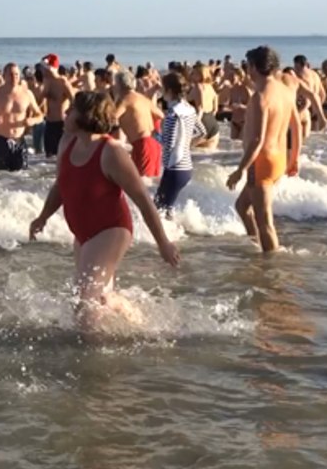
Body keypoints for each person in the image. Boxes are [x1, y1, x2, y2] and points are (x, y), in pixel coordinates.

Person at [28, 91, 180, 332]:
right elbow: (61, 185)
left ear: (86, 116)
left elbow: (142, 199)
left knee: (84, 300)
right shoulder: (67, 142)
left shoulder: (111, 152)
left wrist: (163, 243)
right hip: (83, 233)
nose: (66, 112)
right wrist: (43, 217)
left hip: (111, 230)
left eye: (72, 109)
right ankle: (144, 325)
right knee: (99, 297)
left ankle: (94, 352)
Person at [227, 46, 302, 253]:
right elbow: (296, 127)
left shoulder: (260, 97)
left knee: (265, 221)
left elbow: (257, 139)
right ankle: (258, 247)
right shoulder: (285, 91)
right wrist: (294, 158)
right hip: (279, 160)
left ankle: (272, 264)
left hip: (260, 162)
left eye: (247, 65)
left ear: (253, 67)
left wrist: (240, 170)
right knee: (242, 206)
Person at [157, 72, 206, 215]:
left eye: (163, 88)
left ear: (169, 91)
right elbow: (202, 132)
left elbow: (169, 144)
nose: (161, 92)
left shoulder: (173, 114)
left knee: (161, 210)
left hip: (174, 168)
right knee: (164, 209)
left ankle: (174, 230)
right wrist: (187, 146)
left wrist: (153, 135)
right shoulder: (189, 109)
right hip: (186, 167)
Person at [0, 63, 43, 172]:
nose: (14, 77)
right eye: (10, 74)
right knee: (0, 176)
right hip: (1, 140)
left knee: (21, 177)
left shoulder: (27, 94)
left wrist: (32, 120)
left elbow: (40, 115)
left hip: (19, 140)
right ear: (4, 76)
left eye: (16, 74)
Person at [112, 70, 162, 179]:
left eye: (115, 83)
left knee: (142, 183)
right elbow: (161, 115)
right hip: (154, 142)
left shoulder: (125, 100)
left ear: (119, 85)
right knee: (148, 182)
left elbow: (110, 119)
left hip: (143, 145)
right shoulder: (143, 98)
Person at [40, 54, 74, 158]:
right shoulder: (46, 82)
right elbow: (39, 102)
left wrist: (68, 113)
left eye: (45, 69)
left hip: (61, 123)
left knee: (62, 155)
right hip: (49, 123)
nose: (43, 71)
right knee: (49, 155)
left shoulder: (62, 82)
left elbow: (74, 100)